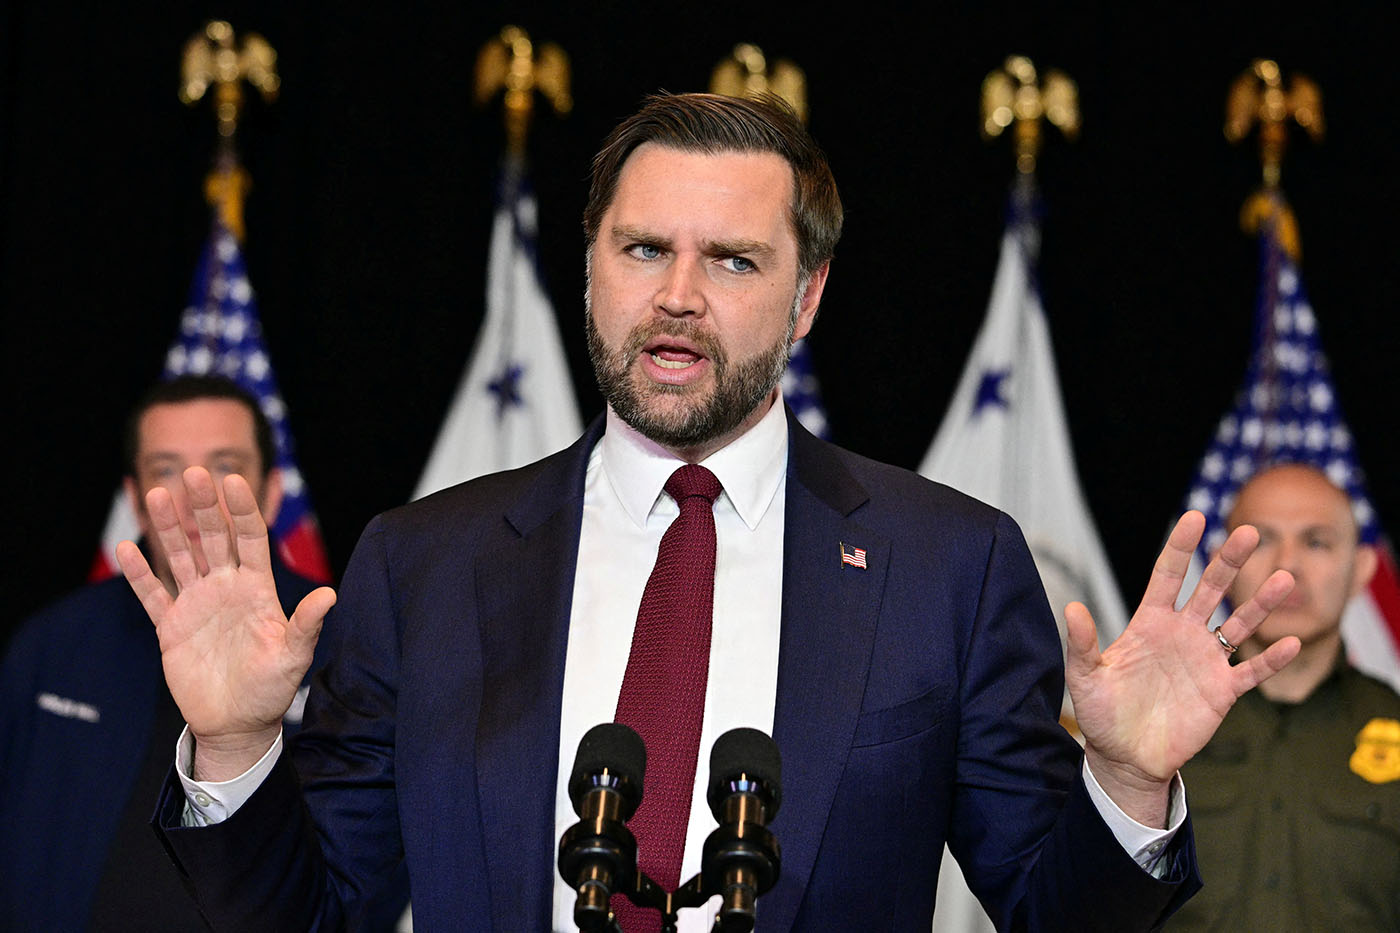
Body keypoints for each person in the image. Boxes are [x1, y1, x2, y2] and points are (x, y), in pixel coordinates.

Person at [118, 94, 1299, 932]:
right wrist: (232, 750)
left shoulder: (946, 566)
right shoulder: (424, 565)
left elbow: (1052, 912)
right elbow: (318, 913)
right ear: (588, 269)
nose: (676, 297)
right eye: (641, 249)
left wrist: (1131, 784)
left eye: (732, 262)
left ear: (806, 297)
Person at [0, 375, 315, 931]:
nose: (196, 495)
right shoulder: (52, 645)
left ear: (270, 491)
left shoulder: (333, 644)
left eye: (226, 466)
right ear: (133, 501)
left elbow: (372, 879)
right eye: (165, 470)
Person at [1175, 463, 1400, 930]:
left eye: (1316, 541)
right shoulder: (1161, 724)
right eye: (1261, 540)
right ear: (1223, 563)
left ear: (1361, 570)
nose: (1287, 564)